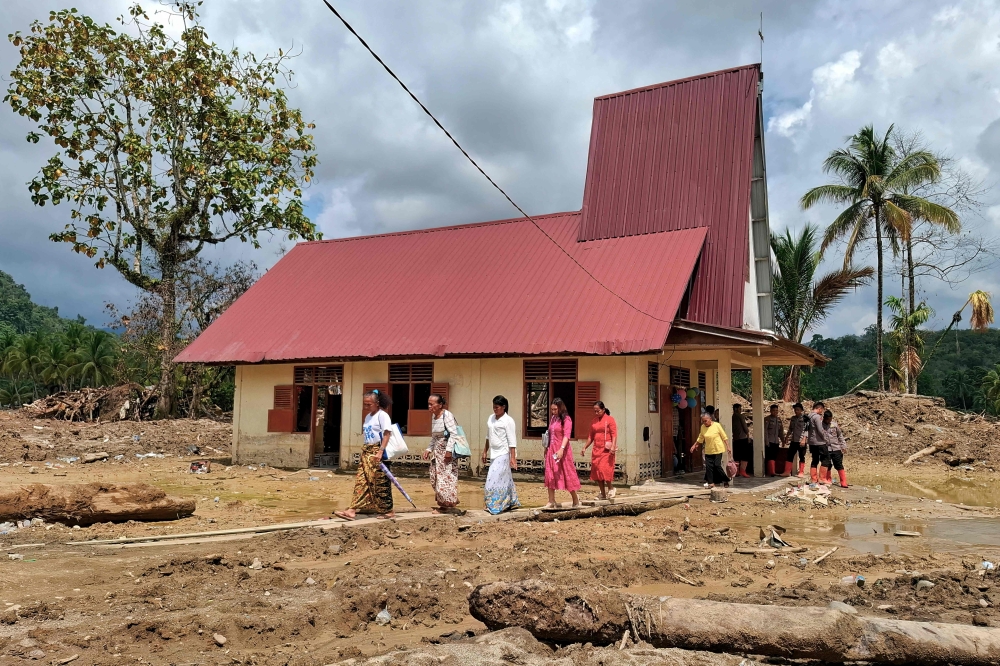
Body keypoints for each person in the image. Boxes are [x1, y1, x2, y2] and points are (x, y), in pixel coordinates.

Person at [335, 389, 394, 520]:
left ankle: (388, 511)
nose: (366, 407)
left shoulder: (382, 415)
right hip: (367, 452)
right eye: (365, 404)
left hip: (378, 452)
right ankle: (352, 510)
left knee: (380, 482)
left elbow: (387, 433)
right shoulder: (368, 417)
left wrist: (380, 451)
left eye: (369, 404)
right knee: (362, 481)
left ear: (377, 403)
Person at [482, 395, 520, 514]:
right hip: (493, 453)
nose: (495, 409)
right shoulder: (491, 418)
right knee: (505, 479)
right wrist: (485, 451)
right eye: (493, 407)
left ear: (503, 407)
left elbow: (512, 440)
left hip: (503, 453)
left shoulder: (508, 421)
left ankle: (495, 504)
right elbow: (488, 436)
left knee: (492, 479)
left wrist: (512, 458)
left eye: (497, 407)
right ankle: (511, 502)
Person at [423, 393, 460, 513]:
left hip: (446, 453)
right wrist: (429, 449)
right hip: (437, 453)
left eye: (431, 404)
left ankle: (445, 506)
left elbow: (454, 434)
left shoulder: (447, 415)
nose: (429, 406)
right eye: (428, 404)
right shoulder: (434, 417)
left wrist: (448, 451)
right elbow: (435, 437)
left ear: (440, 405)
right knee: (435, 477)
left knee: (445, 478)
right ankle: (447, 500)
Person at [543, 398, 580, 509]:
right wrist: (546, 447)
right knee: (550, 473)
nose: (553, 411)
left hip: (562, 450)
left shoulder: (566, 419)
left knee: (567, 473)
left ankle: (575, 498)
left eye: (555, 409)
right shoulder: (553, 418)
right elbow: (549, 433)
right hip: (551, 449)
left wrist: (561, 449)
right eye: (552, 409)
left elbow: (566, 435)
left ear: (560, 408)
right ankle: (551, 501)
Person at [582, 401, 617, 500]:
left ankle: (611, 488)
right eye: (595, 411)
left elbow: (614, 434)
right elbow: (590, 436)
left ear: (603, 410)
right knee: (597, 472)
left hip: (606, 450)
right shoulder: (594, 421)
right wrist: (585, 447)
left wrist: (613, 446)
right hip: (596, 450)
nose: (596, 413)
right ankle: (602, 494)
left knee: (604, 470)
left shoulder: (610, 420)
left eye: (598, 411)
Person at [691, 412, 731, 489]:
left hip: (718, 449)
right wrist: (695, 444)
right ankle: (711, 483)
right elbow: (701, 437)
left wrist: (728, 447)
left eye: (705, 421)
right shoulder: (703, 427)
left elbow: (724, 436)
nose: (704, 423)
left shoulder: (717, 425)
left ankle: (725, 480)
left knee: (717, 465)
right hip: (708, 450)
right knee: (709, 467)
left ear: (710, 419)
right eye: (703, 421)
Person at [802, 401, 829, 485]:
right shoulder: (817, 417)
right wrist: (825, 439)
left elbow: (806, 429)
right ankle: (822, 478)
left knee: (815, 460)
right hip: (819, 442)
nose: (822, 412)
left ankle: (814, 479)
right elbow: (820, 430)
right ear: (819, 408)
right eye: (822, 410)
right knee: (826, 459)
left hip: (812, 442)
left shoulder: (808, 416)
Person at [823, 410, 848, 488]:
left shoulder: (834, 425)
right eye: (827, 419)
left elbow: (840, 436)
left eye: (830, 419)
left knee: (839, 465)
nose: (829, 421)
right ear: (824, 418)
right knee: (827, 465)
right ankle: (828, 479)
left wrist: (843, 446)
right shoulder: (820, 425)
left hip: (836, 448)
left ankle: (843, 482)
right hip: (826, 448)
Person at [785, 403, 808, 477]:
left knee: (801, 456)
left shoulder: (805, 418)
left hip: (801, 440)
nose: (796, 411)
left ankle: (801, 472)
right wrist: (787, 437)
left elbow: (807, 430)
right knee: (790, 455)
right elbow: (790, 429)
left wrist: (804, 439)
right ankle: (787, 471)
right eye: (795, 410)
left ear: (801, 410)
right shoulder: (793, 418)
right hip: (794, 440)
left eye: (798, 410)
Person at [763, 404, 786, 477]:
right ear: (770, 411)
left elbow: (781, 432)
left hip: (776, 441)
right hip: (769, 441)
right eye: (773, 410)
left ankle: (773, 471)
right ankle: (771, 472)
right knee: (770, 456)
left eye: (776, 410)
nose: (775, 412)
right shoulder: (767, 419)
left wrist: (783, 440)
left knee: (775, 456)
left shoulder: (779, 420)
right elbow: (765, 431)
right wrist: (766, 441)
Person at [731, 404, 751, 478]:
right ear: (736, 409)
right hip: (743, 438)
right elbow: (745, 428)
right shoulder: (740, 416)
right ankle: (743, 471)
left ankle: (736, 472)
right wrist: (748, 434)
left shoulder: (732, 417)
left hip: (735, 438)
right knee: (744, 455)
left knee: (736, 455)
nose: (740, 410)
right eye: (739, 408)